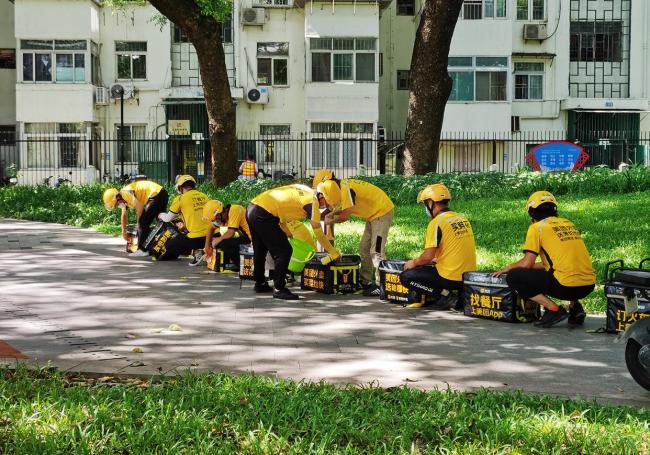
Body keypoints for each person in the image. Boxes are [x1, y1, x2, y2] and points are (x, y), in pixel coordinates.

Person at [493, 191, 595, 328]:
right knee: (566, 269)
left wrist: (509, 268)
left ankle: (553, 310)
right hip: (588, 286)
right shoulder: (568, 223)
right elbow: (554, 263)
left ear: (531, 212)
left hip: (566, 288)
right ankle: (575, 307)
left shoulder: (537, 228)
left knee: (514, 276)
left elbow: (527, 263)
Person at [400, 184, 477, 309]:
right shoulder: (461, 218)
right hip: (467, 275)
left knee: (406, 277)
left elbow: (427, 257)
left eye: (425, 203)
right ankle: (449, 295)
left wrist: (413, 263)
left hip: (450, 277)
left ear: (431, 203)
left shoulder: (436, 222)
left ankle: (446, 295)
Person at [315, 178, 394, 297]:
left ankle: (381, 285)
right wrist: (331, 213)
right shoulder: (344, 186)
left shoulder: (346, 190)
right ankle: (365, 282)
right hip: (373, 215)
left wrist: (330, 221)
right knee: (364, 248)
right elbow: (346, 206)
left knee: (376, 250)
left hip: (382, 212)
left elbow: (345, 216)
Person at [247, 183, 317, 300]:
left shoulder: (301, 191)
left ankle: (260, 283)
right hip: (264, 214)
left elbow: (282, 213)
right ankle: (279, 289)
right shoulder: (310, 200)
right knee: (284, 251)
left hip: (252, 207)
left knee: (260, 249)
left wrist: (289, 234)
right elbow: (316, 223)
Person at [102, 179, 168, 257]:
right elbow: (124, 215)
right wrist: (124, 231)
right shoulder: (123, 198)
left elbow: (139, 208)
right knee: (161, 223)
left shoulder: (125, 193)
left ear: (117, 198)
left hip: (156, 195)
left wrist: (138, 224)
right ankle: (168, 245)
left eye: (116, 204)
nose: (118, 206)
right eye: (116, 206)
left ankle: (142, 250)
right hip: (160, 193)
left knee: (142, 223)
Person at [157, 175, 210, 264]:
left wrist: (160, 214)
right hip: (212, 236)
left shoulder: (180, 199)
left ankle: (196, 253)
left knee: (169, 245)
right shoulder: (204, 196)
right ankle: (204, 250)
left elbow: (167, 219)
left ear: (180, 187)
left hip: (197, 239)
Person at [202, 200, 251, 270]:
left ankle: (243, 266)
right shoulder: (222, 217)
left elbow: (231, 233)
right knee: (217, 237)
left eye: (215, 220)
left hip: (253, 241)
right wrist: (207, 248)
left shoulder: (235, 209)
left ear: (219, 214)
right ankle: (225, 262)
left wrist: (217, 240)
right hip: (246, 238)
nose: (215, 222)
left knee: (224, 243)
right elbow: (211, 228)